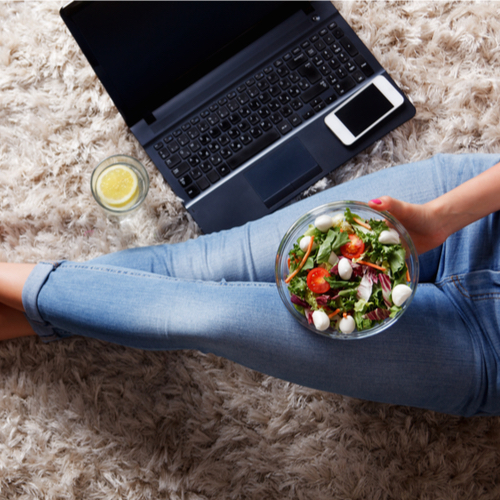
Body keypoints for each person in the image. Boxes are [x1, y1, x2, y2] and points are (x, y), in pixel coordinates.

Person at [1, 153, 500, 417]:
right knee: (189, 265)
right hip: (476, 213)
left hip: (484, 351)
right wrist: (440, 217)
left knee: (210, 317)